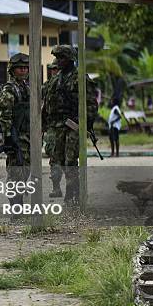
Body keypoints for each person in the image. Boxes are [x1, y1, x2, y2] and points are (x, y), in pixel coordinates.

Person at [43, 45, 98, 205]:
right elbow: (47, 103)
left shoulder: (80, 78)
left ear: (70, 59)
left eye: (61, 58)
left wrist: (84, 124)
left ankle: (73, 193)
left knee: (70, 161)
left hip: (74, 126)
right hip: (57, 127)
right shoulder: (55, 80)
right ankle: (67, 191)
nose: (58, 61)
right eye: (57, 58)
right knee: (57, 160)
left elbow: (91, 104)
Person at [0, 53, 30, 206]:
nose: (23, 71)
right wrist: (8, 136)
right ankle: (15, 207)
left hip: (27, 136)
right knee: (15, 172)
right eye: (19, 68)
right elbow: (5, 114)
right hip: (15, 136)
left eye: (25, 68)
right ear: (12, 70)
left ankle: (19, 204)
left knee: (25, 171)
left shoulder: (25, 88)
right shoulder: (9, 89)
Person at [42, 60, 62, 198]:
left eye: (56, 69)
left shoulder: (67, 83)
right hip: (52, 127)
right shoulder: (47, 86)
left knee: (69, 159)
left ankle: (74, 191)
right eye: (52, 69)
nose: (53, 71)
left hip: (67, 126)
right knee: (53, 157)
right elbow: (44, 106)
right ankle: (57, 188)